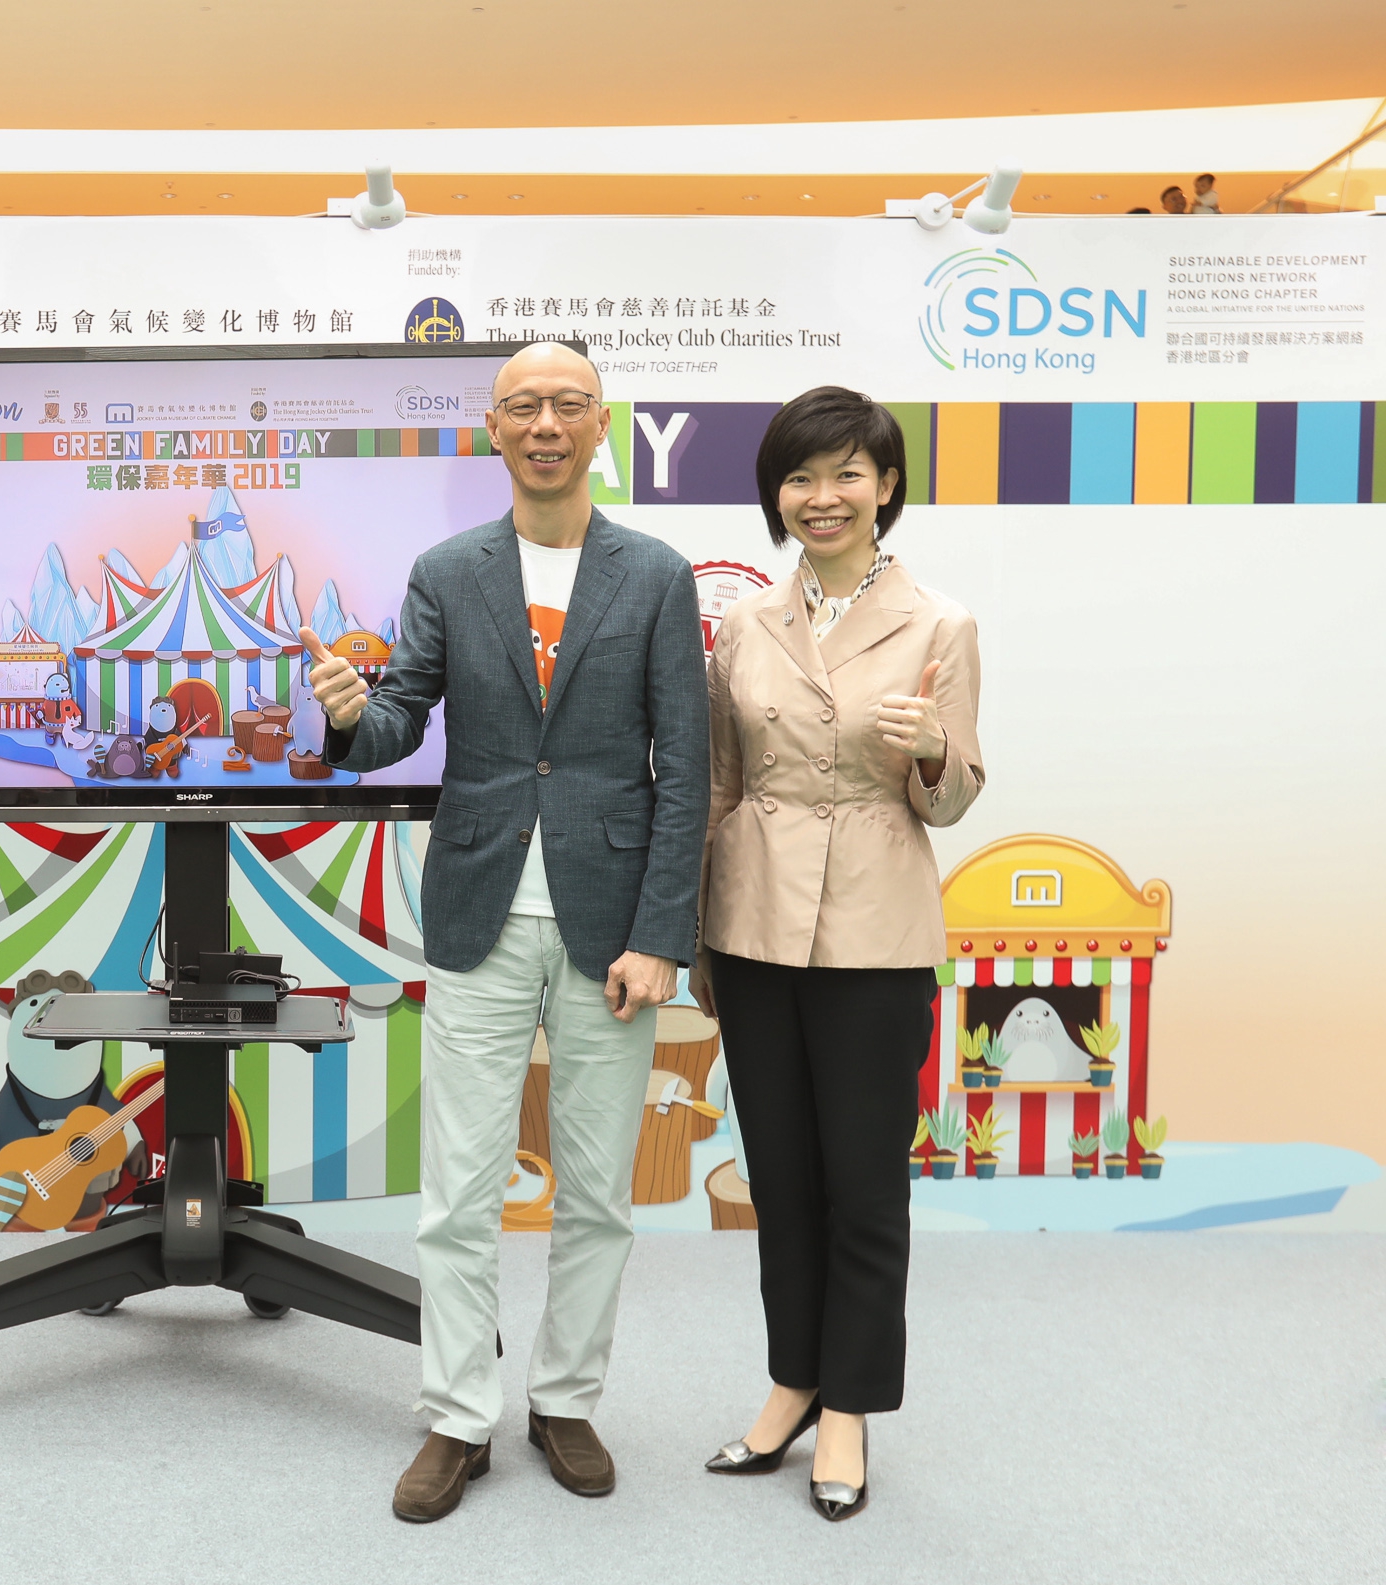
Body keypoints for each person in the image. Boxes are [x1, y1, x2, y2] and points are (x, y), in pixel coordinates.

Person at [304, 341, 708, 1523]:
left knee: (596, 1192)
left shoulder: (656, 574)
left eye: (568, 405)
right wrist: (345, 720)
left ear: (600, 427)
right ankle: (457, 1415)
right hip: (477, 906)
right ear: (491, 428)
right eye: (523, 405)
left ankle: (567, 1397)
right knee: (458, 1191)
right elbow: (397, 730)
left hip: (613, 927)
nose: (546, 423)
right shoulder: (447, 570)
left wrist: (661, 934)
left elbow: (684, 771)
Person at [690, 386, 983, 1521]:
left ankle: (849, 1408)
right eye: (802, 477)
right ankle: (790, 1382)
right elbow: (720, 782)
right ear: (777, 494)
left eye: (847, 474)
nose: (823, 497)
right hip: (753, 922)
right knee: (782, 1179)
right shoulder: (742, 626)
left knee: (864, 1184)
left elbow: (952, 798)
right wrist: (698, 935)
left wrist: (931, 750)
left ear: (886, 487)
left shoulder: (940, 624)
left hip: (874, 927)